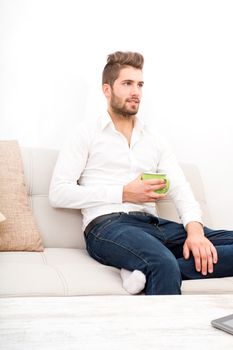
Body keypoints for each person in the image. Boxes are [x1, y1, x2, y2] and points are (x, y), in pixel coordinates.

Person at [49, 51, 233, 295]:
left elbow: (180, 187)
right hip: (108, 226)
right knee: (161, 262)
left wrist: (195, 231)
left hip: (155, 225)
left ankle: (141, 270)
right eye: (127, 84)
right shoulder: (85, 133)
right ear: (107, 89)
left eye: (139, 84)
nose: (136, 91)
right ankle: (156, 281)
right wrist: (123, 192)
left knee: (165, 262)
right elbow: (58, 193)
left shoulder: (154, 139)